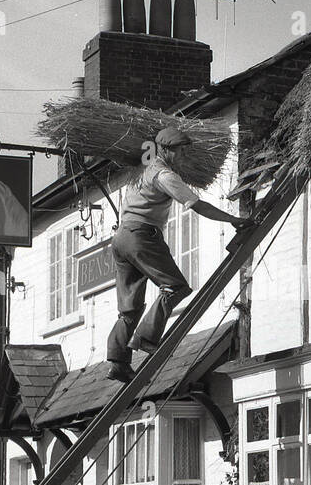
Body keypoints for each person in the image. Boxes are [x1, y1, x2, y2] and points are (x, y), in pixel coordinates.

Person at [105, 126, 251, 381]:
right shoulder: (163, 174)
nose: (183, 156)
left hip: (120, 239)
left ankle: (118, 361)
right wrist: (231, 219)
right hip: (142, 236)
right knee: (175, 287)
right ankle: (147, 337)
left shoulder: (141, 172)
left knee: (129, 308)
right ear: (166, 150)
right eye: (181, 151)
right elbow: (196, 205)